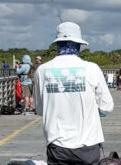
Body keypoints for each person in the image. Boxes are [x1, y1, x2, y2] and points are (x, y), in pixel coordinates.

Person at [34, 22, 114, 164]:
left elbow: (40, 110)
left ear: (57, 44)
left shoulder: (42, 70)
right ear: (78, 45)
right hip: (88, 145)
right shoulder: (92, 68)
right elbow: (107, 106)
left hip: (57, 146)